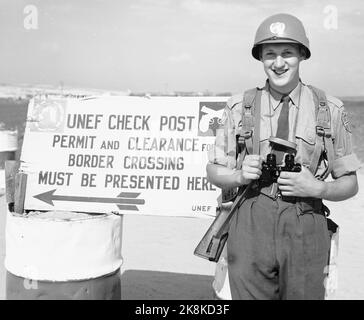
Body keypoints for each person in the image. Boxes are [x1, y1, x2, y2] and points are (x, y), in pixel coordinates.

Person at [207, 13, 360, 300]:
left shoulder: (330, 110)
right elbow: (214, 171)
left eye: (287, 53)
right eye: (270, 54)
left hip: (306, 219)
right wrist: (239, 175)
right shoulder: (239, 107)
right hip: (251, 218)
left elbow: (350, 183)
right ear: (261, 58)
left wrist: (319, 188)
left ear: (302, 54)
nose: (278, 63)